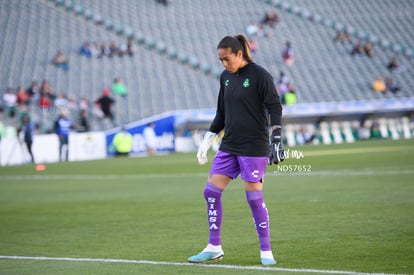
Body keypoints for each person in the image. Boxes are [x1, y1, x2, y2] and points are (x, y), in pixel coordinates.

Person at [188, 34, 284, 266]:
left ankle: (266, 250)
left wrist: (277, 139)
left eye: (227, 59)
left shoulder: (260, 75)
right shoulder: (225, 78)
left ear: (240, 54)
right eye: (220, 60)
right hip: (229, 144)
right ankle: (214, 247)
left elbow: (274, 106)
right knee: (211, 192)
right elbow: (222, 112)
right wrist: (208, 139)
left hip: (253, 146)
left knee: (253, 198)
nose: (223, 64)